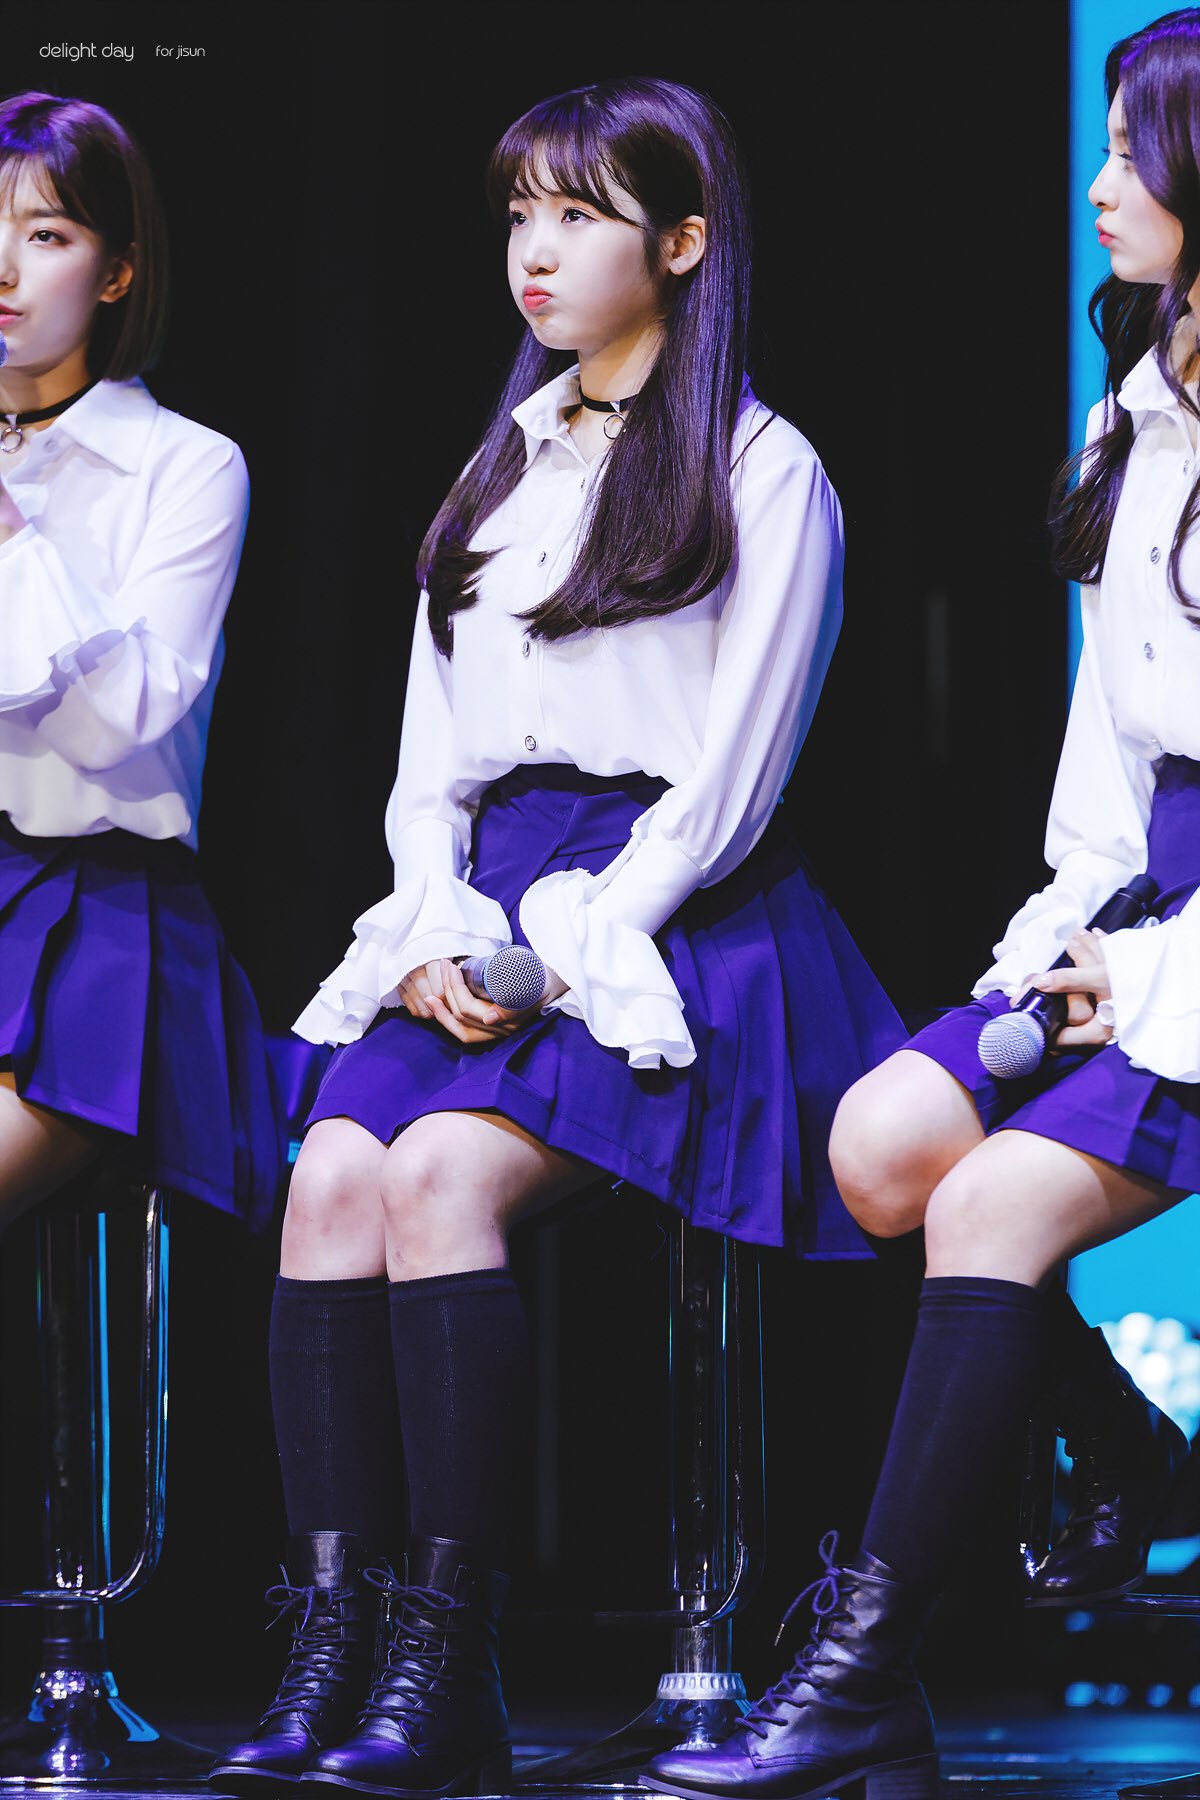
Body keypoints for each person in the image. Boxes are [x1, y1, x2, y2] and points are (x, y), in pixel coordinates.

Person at [210, 76, 908, 1800]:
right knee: (328, 1180)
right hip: (484, 886)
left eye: (580, 215)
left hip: (671, 909)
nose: (534, 249)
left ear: (682, 244)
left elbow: (731, 781)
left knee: (439, 1177)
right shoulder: (502, 461)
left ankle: (450, 1662)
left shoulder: (764, 467)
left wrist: (563, 949)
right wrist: (434, 928)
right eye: (520, 212)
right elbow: (426, 763)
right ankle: (332, 1641)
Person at [641, 13, 1200, 1800]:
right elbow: (1116, 743)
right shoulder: (1141, 407)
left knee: (989, 1206)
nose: (1099, 183)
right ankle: (1130, 1452)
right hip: (1145, 889)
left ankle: (861, 1677)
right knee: (883, 1144)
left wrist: (1156, 973)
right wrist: (1065, 934)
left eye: (1134, 149)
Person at [0, 93, 282, 1237]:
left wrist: (12, 532)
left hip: (95, 919)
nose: (3, 266)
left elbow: (118, 721)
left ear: (116, 272)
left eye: (45, 234)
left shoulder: (189, 467)